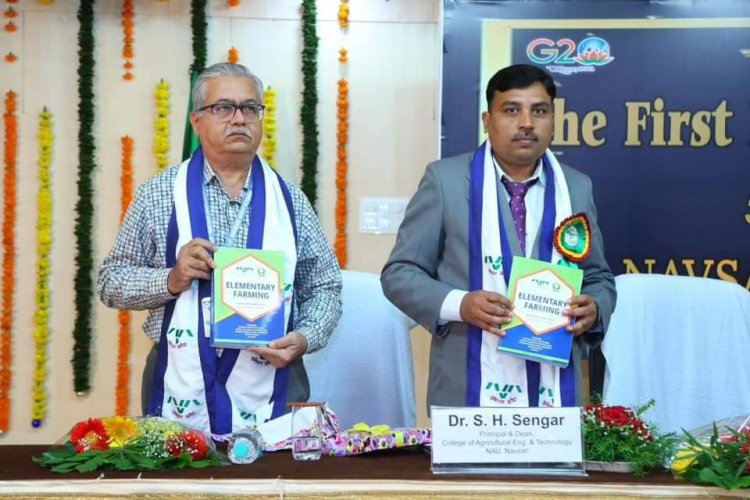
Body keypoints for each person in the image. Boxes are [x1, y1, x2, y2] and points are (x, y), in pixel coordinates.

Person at [98, 62, 342, 435]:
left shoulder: (290, 200)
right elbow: (111, 282)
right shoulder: (159, 194)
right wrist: (171, 278)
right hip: (178, 377)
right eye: (223, 108)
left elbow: (325, 285)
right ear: (196, 121)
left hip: (276, 375)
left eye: (250, 108)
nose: (239, 119)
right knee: (178, 492)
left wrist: (306, 336)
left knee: (279, 491)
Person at [381, 64, 616, 410]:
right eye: (511, 110)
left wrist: (594, 308)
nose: (526, 123)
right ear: (487, 120)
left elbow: (598, 278)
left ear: (553, 119)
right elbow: (399, 273)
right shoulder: (445, 181)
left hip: (554, 385)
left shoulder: (576, 188)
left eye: (539, 111)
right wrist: (459, 304)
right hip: (467, 384)